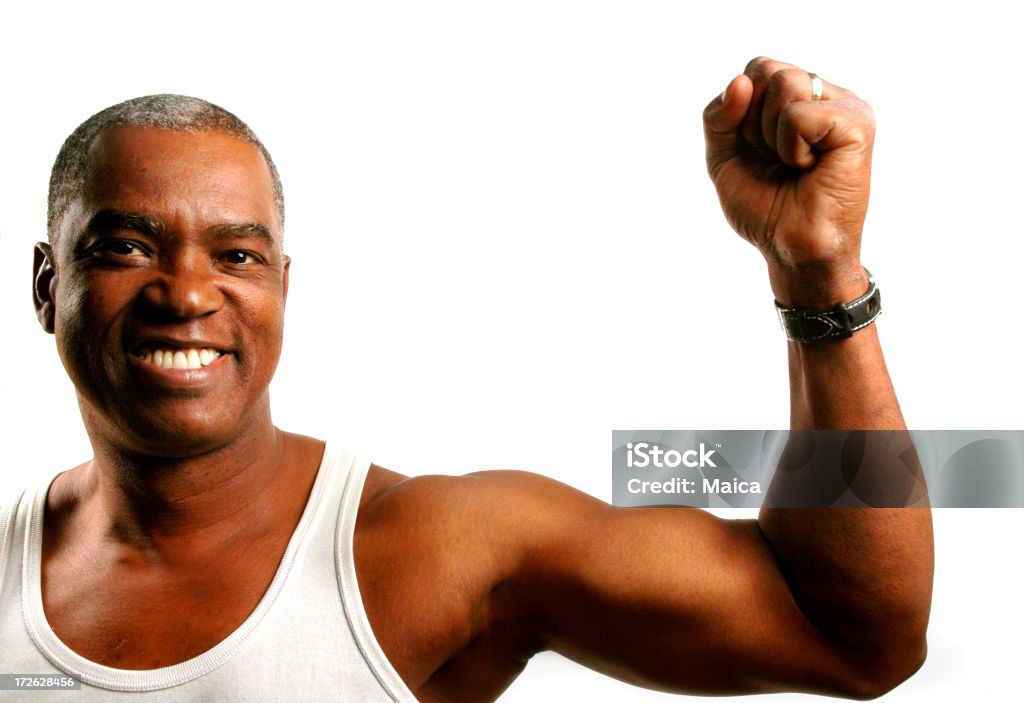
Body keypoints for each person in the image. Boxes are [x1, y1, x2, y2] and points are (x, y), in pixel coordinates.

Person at [0, 57, 932, 701]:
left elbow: (856, 638)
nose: (188, 293)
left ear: (283, 289)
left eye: (238, 255)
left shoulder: (436, 549)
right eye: (125, 245)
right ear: (50, 287)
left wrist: (820, 276)